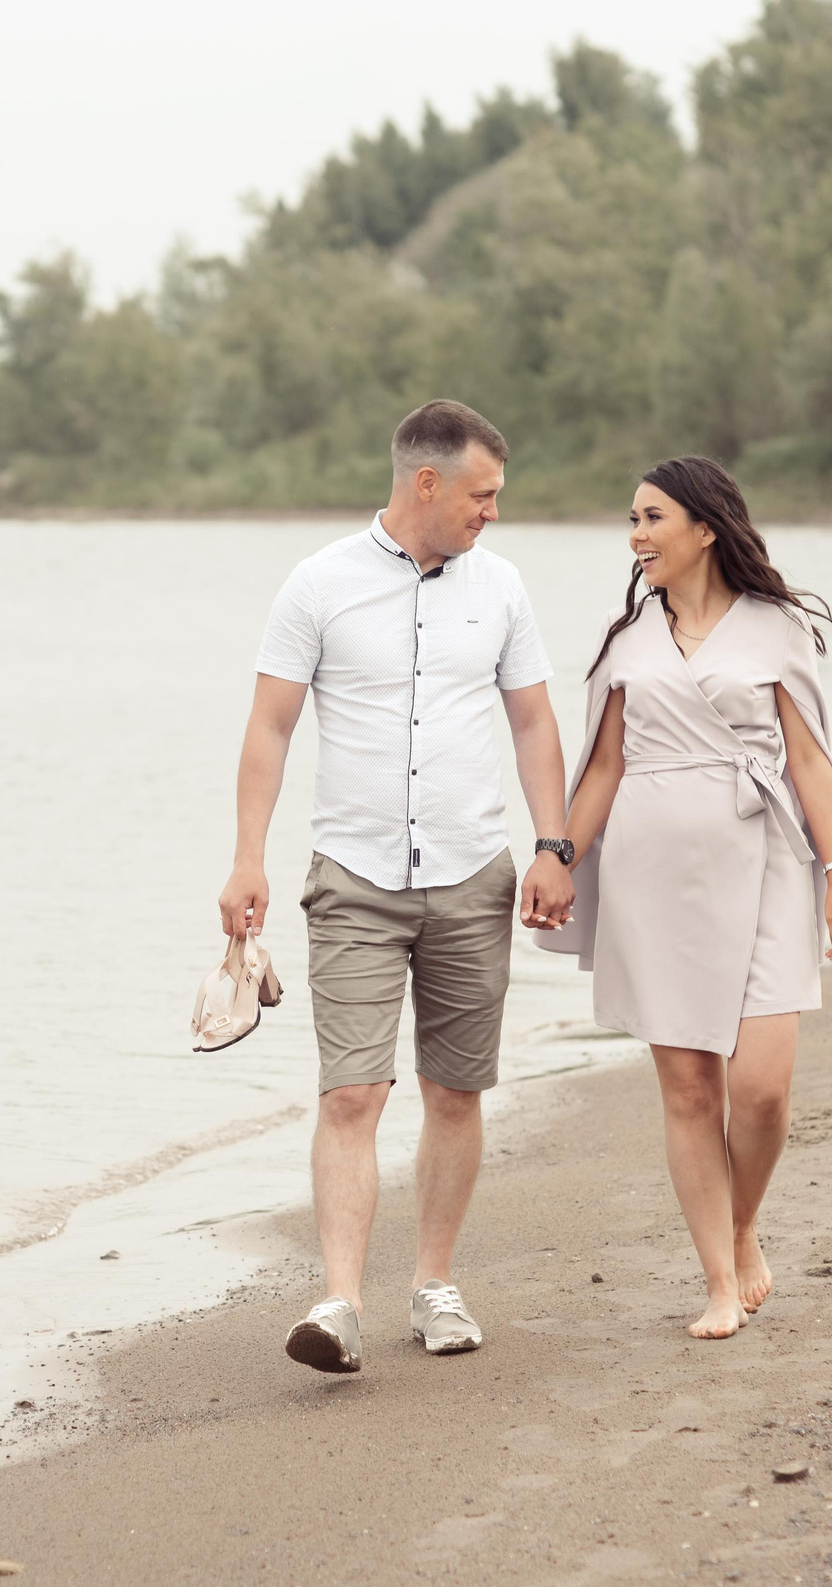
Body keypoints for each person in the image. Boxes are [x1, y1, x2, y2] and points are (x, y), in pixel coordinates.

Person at [218, 399, 574, 1374]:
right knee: (351, 1093)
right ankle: (338, 1300)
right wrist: (248, 854)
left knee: (454, 1091)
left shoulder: (499, 588)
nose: (491, 513)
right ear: (427, 482)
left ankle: (433, 1281)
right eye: (482, 494)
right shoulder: (317, 584)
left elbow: (534, 724)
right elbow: (270, 727)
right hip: (353, 878)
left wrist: (555, 847)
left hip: (471, 872)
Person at [537, 455, 832, 1340]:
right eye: (632, 520)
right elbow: (602, 767)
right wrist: (561, 855)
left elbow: (810, 761)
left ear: (705, 528)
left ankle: (743, 1220)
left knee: (759, 1090)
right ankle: (719, 1278)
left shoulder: (775, 629)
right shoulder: (625, 645)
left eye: (652, 518)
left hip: (764, 865)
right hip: (653, 878)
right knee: (688, 1090)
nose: (636, 535)